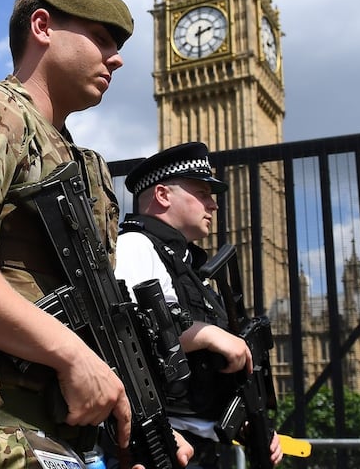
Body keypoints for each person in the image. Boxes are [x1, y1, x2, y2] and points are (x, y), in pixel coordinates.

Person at [0, 0, 192, 468]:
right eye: (101, 38)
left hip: (51, 436)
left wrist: (140, 423)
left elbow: (101, 322)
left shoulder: (85, 164)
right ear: (42, 27)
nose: (116, 58)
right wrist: (70, 354)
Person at [115, 142, 284, 469]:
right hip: (163, 445)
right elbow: (122, 336)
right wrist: (206, 335)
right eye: (202, 193)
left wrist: (249, 425)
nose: (213, 205)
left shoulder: (190, 268)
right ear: (163, 195)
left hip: (206, 449)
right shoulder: (136, 247)